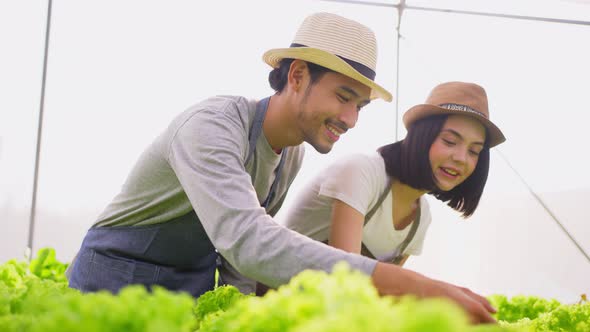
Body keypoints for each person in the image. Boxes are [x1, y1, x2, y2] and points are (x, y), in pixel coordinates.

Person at [66, 11, 496, 324]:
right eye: (343, 97)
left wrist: (239, 312)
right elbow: (247, 240)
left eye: (360, 106)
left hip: (182, 299)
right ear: (297, 76)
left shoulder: (292, 154)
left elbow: (237, 264)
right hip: (111, 285)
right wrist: (418, 286)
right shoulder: (211, 127)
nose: (350, 119)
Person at [279, 81, 505, 304]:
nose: (461, 158)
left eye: (474, 151)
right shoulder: (361, 172)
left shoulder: (420, 218)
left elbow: (385, 299)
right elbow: (346, 282)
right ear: (422, 136)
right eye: (449, 141)